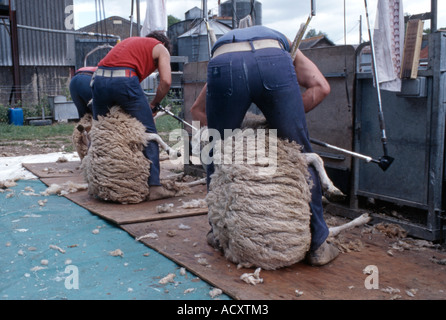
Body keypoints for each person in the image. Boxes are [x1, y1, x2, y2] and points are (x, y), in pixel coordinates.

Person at [190, 25, 338, 266]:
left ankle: (216, 233)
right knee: (300, 153)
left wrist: (238, 138)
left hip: (225, 66)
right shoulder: (282, 41)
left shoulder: (225, 48)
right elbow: (321, 87)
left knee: (216, 151)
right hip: (274, 62)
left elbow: (197, 111)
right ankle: (319, 244)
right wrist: (279, 124)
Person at [91, 31, 173, 200]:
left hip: (98, 79)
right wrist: (154, 104)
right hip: (124, 80)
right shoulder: (161, 48)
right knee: (148, 132)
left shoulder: (130, 42)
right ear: (163, 44)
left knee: (101, 130)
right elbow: (166, 81)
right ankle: (155, 186)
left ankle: (98, 180)